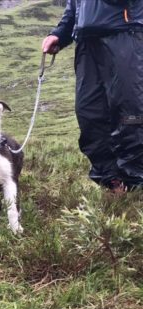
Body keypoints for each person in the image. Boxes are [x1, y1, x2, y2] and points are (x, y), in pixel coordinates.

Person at [42, 0, 143, 193]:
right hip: (87, 44)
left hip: (125, 33)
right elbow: (75, 6)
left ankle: (135, 184)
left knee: (130, 115)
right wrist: (59, 34)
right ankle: (113, 182)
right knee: (89, 114)